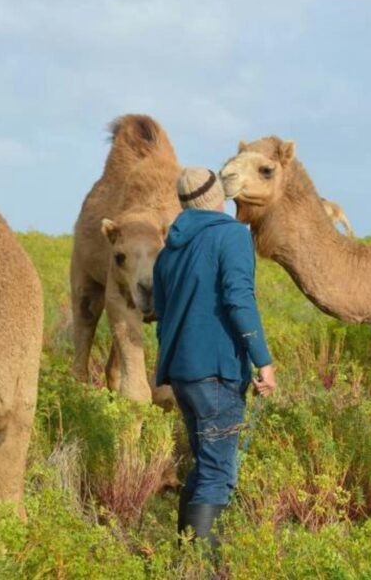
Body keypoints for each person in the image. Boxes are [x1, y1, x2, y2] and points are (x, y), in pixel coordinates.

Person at [153, 167, 276, 551]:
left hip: (182, 373)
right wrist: (264, 362)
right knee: (218, 470)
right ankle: (200, 569)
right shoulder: (232, 235)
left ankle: (186, 559)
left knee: (205, 465)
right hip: (217, 371)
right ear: (217, 199)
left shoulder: (168, 251)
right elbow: (239, 300)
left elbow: (161, 313)